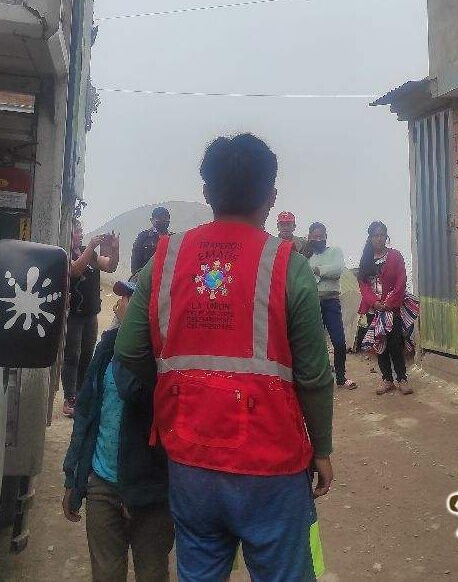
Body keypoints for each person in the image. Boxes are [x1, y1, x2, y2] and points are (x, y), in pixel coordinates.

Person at [114, 133, 334, 581]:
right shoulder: (286, 262)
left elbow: (129, 348)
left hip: (190, 459)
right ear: (271, 196)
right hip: (273, 463)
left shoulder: (166, 257)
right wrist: (323, 449)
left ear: (207, 192)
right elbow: (314, 375)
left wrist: (178, 390)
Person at [62, 280, 173, 581]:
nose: (119, 303)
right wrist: (73, 476)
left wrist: (130, 343)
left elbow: (132, 391)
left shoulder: (166, 359)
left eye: (129, 298)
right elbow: (86, 413)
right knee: (106, 574)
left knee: (152, 574)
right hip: (102, 485)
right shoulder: (106, 347)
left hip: (150, 494)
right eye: (122, 296)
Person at [63, 223, 119, 417]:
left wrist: (115, 248)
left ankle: (80, 393)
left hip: (90, 313)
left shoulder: (91, 255)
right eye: (75, 232)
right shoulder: (66, 254)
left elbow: (110, 267)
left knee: (87, 354)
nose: (78, 235)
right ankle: (69, 398)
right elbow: (75, 270)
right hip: (74, 315)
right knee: (72, 356)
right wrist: (91, 247)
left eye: (79, 231)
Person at [356, 221, 412, 395]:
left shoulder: (395, 256)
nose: (378, 238)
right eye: (375, 235)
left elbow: (401, 281)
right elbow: (363, 285)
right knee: (380, 344)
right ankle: (387, 379)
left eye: (381, 235)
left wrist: (389, 302)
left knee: (395, 343)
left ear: (386, 236)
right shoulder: (366, 260)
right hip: (374, 310)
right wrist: (374, 302)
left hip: (391, 309)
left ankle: (402, 378)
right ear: (370, 238)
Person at [306, 222, 356, 389]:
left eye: (321, 236)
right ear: (309, 238)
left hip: (331, 302)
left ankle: (341, 378)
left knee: (339, 342)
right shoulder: (306, 257)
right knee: (316, 343)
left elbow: (337, 270)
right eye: (315, 237)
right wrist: (323, 272)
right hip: (312, 304)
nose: (318, 239)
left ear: (326, 237)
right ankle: (322, 378)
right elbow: (307, 279)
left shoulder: (335, 252)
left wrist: (317, 271)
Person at [131, 206, 171, 275]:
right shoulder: (143, 236)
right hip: (146, 279)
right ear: (152, 220)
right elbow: (135, 262)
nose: (163, 220)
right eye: (159, 218)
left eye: (166, 218)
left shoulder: (173, 238)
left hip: (166, 279)